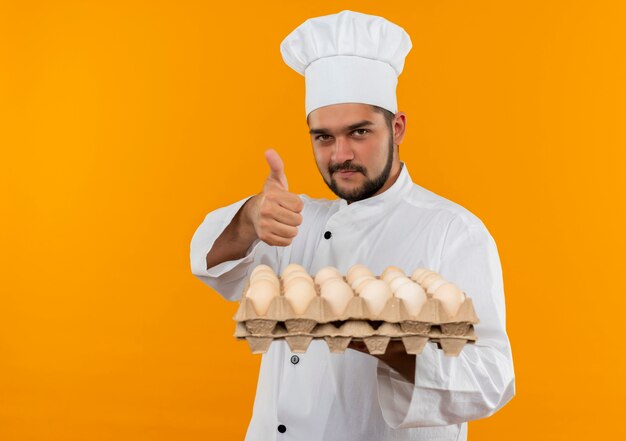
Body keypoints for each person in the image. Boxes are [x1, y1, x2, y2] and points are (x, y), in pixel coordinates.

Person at [190, 10, 515, 441]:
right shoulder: (296, 220)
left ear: (397, 128)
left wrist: (388, 342)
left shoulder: (451, 231)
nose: (340, 154)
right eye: (323, 136)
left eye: (359, 132)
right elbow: (210, 262)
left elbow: (491, 379)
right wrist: (251, 216)